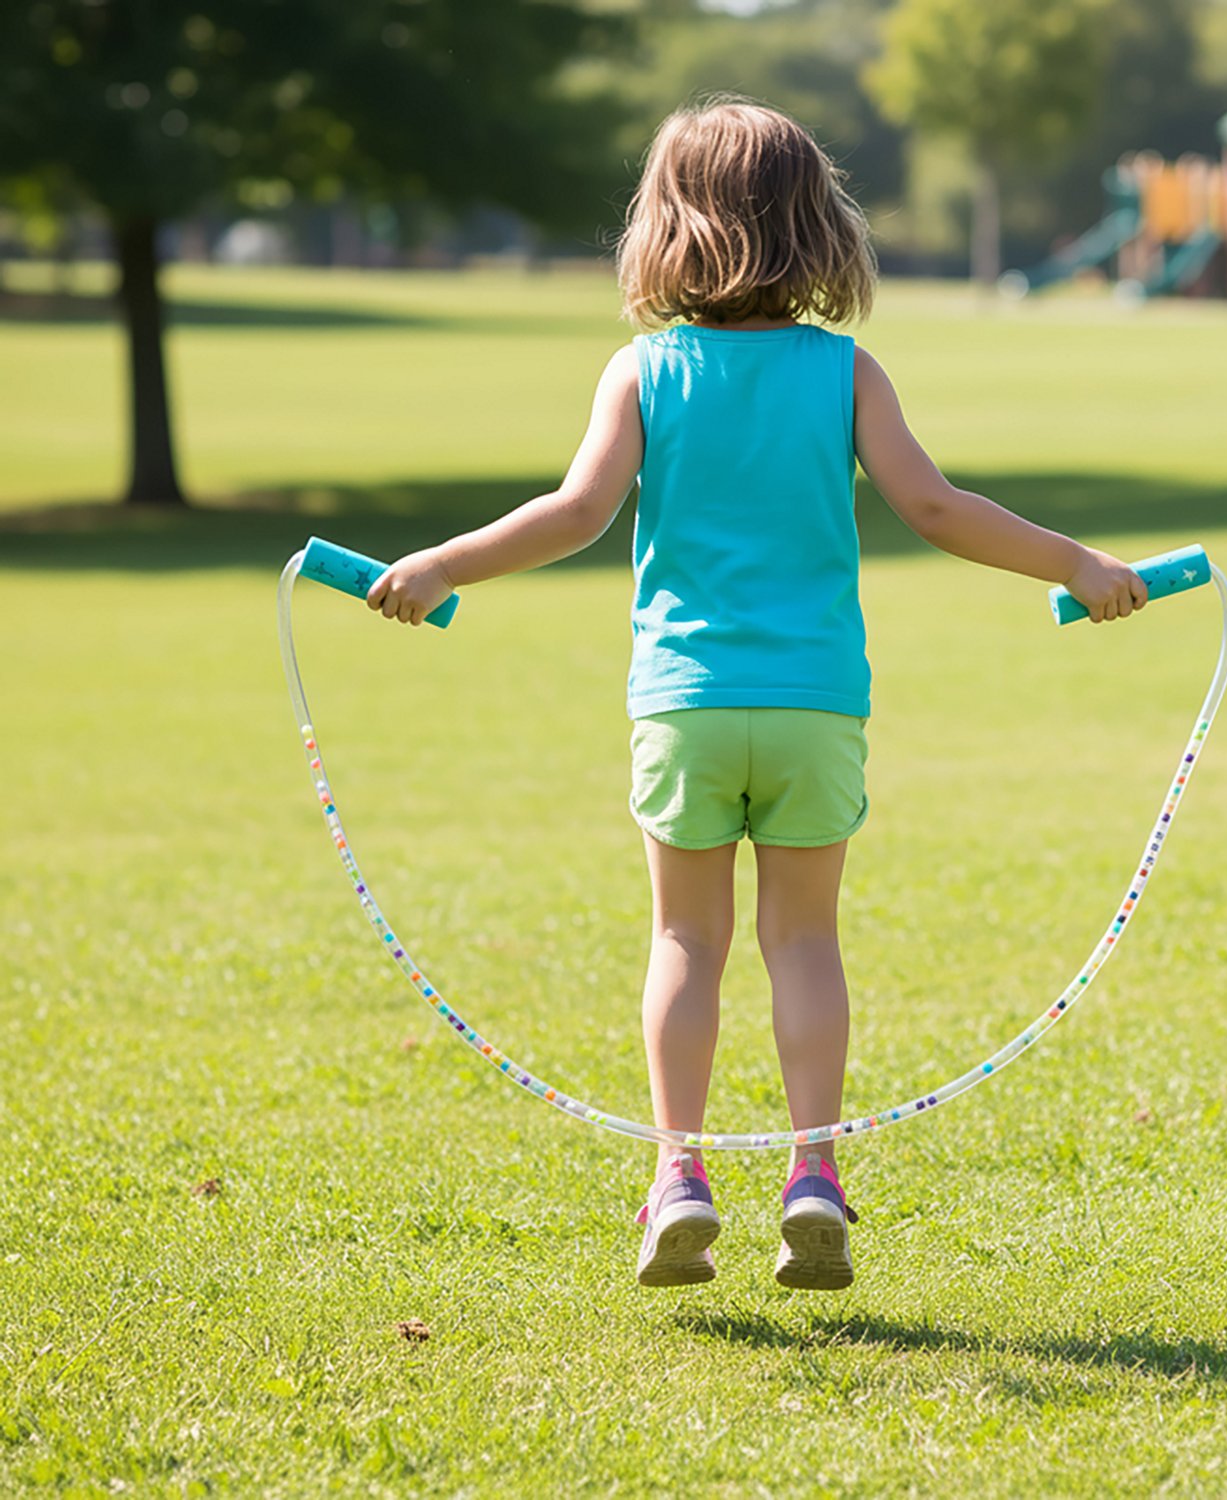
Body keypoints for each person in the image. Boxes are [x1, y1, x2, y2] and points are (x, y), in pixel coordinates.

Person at [366, 98, 1147, 1292]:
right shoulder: (845, 372)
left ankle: (678, 1175)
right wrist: (1076, 563)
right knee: (804, 937)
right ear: (814, 223)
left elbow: (576, 513)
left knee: (687, 937)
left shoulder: (644, 371)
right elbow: (933, 506)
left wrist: (441, 565)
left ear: (666, 227)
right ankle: (813, 1173)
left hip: (684, 703)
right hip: (814, 706)